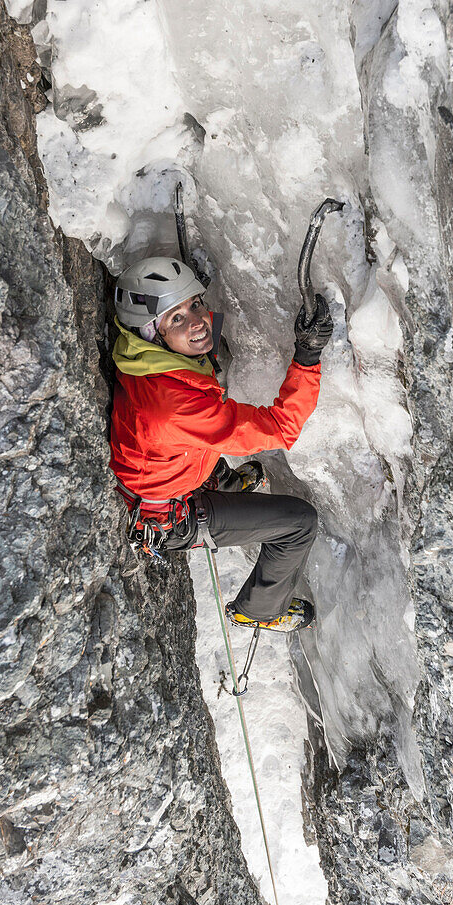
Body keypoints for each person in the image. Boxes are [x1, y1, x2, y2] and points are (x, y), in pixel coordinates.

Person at [109, 256, 333, 632]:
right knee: (300, 523)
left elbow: (201, 345)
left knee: (211, 446)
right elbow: (281, 426)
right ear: (152, 332)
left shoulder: (144, 358)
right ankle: (259, 610)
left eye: (195, 305)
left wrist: (191, 297)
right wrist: (308, 355)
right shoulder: (178, 409)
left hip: (164, 471)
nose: (197, 322)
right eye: (176, 318)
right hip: (167, 518)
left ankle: (223, 483)